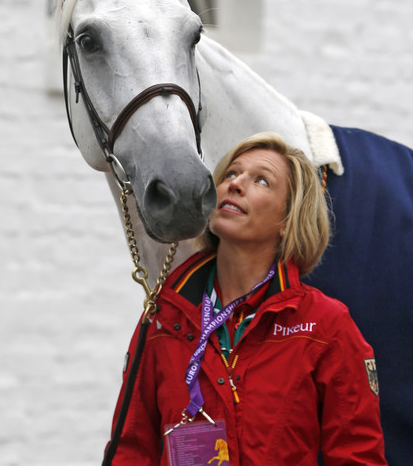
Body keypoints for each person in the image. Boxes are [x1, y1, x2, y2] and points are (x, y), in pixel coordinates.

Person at [108, 132, 387, 465]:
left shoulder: (326, 326)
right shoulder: (163, 318)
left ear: (287, 220)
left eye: (261, 181)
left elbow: (358, 457)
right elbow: (130, 450)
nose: (235, 184)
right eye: (230, 174)